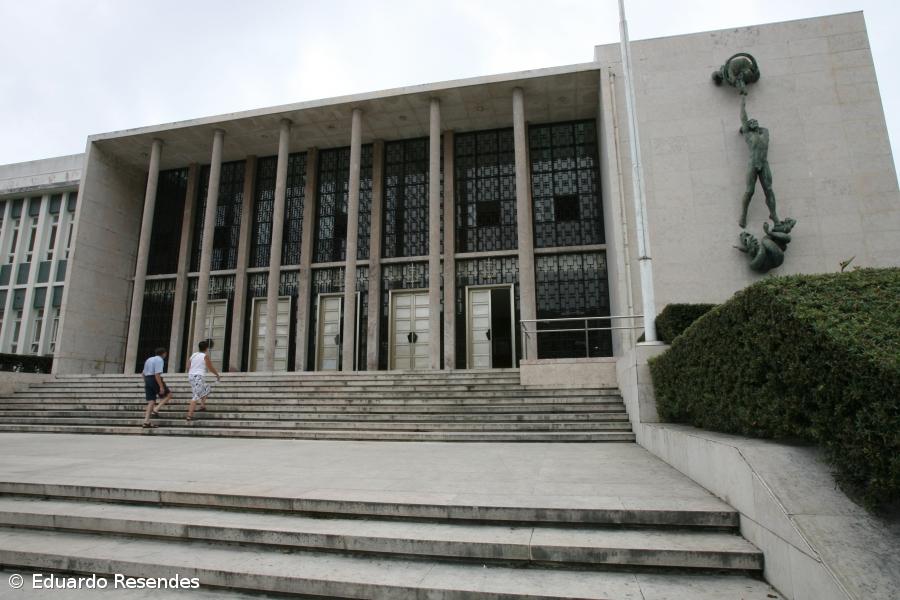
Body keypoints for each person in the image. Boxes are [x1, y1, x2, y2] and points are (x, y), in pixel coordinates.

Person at [738, 94, 780, 229]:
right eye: (751, 122)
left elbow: (762, 129)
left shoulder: (765, 133)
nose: (754, 122)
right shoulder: (748, 135)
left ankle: (774, 215)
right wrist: (742, 103)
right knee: (750, 191)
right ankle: (743, 214)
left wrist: (753, 127)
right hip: (753, 164)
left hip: (764, 164)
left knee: (769, 189)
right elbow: (743, 118)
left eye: (755, 121)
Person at [186, 339, 220, 423]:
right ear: (206, 348)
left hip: (191, 375)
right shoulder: (205, 356)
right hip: (198, 376)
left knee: (207, 387)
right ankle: (189, 416)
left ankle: (202, 405)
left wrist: (191, 372)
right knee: (196, 395)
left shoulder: (194, 355)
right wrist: (217, 375)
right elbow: (210, 367)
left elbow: (188, 366)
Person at [141, 347, 173, 429]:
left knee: (151, 401)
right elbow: (157, 374)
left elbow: (143, 373)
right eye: (165, 354)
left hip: (147, 379)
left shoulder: (149, 359)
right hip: (154, 379)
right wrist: (161, 387)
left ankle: (146, 421)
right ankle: (156, 409)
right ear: (164, 354)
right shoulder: (160, 360)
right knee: (169, 394)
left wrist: (147, 383)